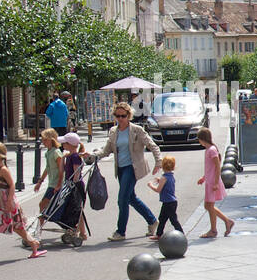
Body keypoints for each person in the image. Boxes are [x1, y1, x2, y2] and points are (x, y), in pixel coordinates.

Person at [94, 100, 162, 240]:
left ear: (129, 115)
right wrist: (92, 155)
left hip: (132, 167)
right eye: (117, 116)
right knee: (131, 198)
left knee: (122, 199)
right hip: (120, 168)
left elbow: (153, 145)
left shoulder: (137, 130)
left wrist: (158, 162)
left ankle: (121, 232)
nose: (120, 119)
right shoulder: (113, 131)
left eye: (123, 116)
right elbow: (106, 150)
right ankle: (152, 221)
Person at [0, 142, 45, 263]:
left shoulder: (3, 170)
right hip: (2, 206)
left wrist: (9, 201)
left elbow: (12, 185)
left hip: (8, 206)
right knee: (18, 228)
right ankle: (34, 244)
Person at [196, 128, 234, 237]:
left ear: (203, 139)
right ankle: (226, 221)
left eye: (199, 140)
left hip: (213, 182)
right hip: (210, 181)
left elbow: (217, 167)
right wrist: (204, 178)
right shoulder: (209, 150)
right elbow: (210, 168)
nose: (199, 142)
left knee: (209, 206)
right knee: (208, 206)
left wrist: (216, 182)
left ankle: (214, 230)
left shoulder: (211, 150)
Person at [58, 131, 90, 239]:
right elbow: (61, 170)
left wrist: (73, 186)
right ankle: (80, 232)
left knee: (77, 209)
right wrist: (63, 158)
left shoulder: (75, 157)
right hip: (69, 185)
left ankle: (81, 232)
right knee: (75, 209)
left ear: (70, 144)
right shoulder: (69, 156)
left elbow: (76, 173)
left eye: (64, 143)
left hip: (76, 186)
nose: (63, 145)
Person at [147, 156, 182, 240]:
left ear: (162, 166)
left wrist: (150, 185)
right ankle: (159, 234)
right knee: (162, 218)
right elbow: (167, 184)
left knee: (173, 219)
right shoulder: (170, 176)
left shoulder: (164, 177)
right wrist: (160, 181)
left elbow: (158, 190)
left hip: (168, 202)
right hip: (171, 202)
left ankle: (181, 233)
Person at [33, 128, 62, 216]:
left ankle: (39, 227)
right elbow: (47, 168)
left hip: (55, 184)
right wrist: (40, 182)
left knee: (43, 205)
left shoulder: (56, 152)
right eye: (43, 140)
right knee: (46, 205)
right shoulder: (48, 152)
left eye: (45, 140)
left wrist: (59, 184)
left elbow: (61, 169)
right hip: (51, 183)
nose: (43, 142)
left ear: (52, 140)